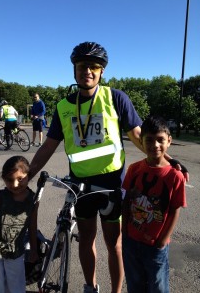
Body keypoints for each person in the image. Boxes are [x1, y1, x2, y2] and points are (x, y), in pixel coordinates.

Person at [28, 42, 188, 293]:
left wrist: (168, 160)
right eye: (82, 66)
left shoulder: (116, 98)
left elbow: (138, 135)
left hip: (112, 185)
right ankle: (90, 287)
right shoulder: (63, 107)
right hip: (80, 184)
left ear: (102, 72)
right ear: (74, 70)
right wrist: (28, 173)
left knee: (114, 244)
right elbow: (48, 146)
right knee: (85, 241)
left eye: (94, 67)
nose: (88, 72)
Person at [122, 116, 187, 293]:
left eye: (160, 140)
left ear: (169, 141)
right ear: (141, 141)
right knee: (134, 284)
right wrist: (125, 230)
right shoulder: (134, 169)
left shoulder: (175, 176)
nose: (155, 145)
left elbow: (175, 210)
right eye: (149, 140)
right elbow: (127, 200)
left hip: (155, 244)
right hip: (131, 239)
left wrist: (162, 240)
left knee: (158, 286)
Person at [0, 156, 39, 293]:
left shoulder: (33, 201)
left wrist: (34, 249)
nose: (15, 184)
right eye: (10, 180)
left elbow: (32, 227)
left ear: (28, 176)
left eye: (20, 179)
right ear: (3, 179)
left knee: (16, 286)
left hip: (16, 251)